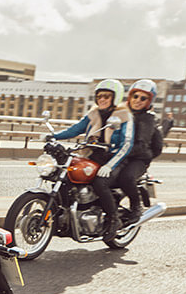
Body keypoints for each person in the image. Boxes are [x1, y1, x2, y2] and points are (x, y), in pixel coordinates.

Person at [51, 79, 133, 241]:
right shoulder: (93, 114)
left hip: (114, 159)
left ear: (115, 98)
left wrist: (110, 165)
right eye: (99, 96)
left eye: (106, 96)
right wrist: (53, 136)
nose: (102, 99)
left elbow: (126, 144)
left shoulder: (123, 116)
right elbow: (75, 129)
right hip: (93, 156)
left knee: (99, 182)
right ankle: (66, 214)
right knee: (67, 175)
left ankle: (113, 220)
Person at [113, 80, 163, 225]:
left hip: (138, 158)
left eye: (143, 98)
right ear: (130, 97)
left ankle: (136, 207)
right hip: (121, 154)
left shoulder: (147, 119)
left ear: (149, 101)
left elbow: (142, 145)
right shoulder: (122, 113)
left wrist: (118, 152)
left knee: (126, 177)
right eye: (135, 96)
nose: (138, 101)